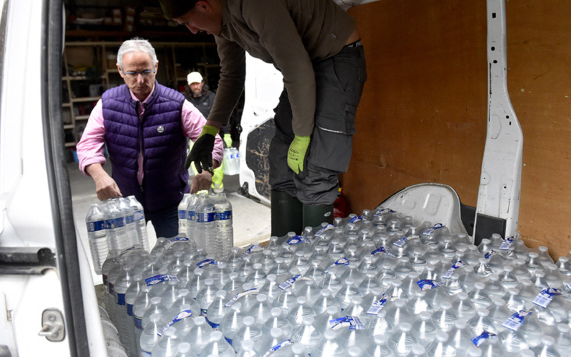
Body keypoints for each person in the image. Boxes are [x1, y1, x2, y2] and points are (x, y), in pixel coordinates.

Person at [159, 0, 367, 237]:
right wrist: (210, 130)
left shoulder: (254, 5)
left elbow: (296, 67)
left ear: (205, 6)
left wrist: (302, 135)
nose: (192, 30)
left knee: (317, 167)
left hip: (336, 55)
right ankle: (285, 253)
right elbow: (232, 75)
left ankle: (316, 264)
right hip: (302, 66)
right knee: (280, 161)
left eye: (188, 22)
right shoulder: (221, 23)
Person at [76, 37, 224, 238]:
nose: (140, 80)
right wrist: (99, 175)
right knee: (127, 261)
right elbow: (87, 145)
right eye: (132, 73)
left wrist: (207, 171)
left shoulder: (176, 104)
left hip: (170, 201)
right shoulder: (107, 104)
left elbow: (212, 139)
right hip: (125, 202)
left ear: (155, 67)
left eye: (146, 72)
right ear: (120, 70)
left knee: (177, 260)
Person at [184, 71, 232, 193]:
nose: (196, 86)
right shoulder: (186, 101)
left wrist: (226, 133)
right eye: (193, 84)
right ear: (189, 86)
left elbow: (223, 114)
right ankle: (203, 192)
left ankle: (218, 188)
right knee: (198, 167)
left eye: (198, 83)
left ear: (202, 83)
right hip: (195, 138)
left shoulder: (212, 97)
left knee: (216, 166)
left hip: (213, 136)